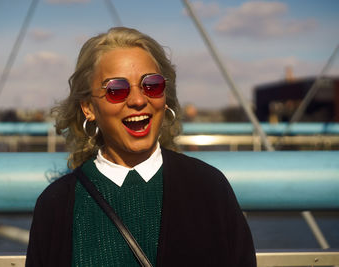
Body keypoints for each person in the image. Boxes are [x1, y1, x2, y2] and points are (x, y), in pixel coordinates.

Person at [26, 27, 256, 267]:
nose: (138, 100)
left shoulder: (210, 189)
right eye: (116, 90)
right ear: (88, 108)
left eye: (152, 85)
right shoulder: (57, 205)